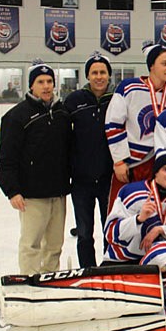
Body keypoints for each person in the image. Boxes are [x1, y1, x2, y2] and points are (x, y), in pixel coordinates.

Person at [0, 60, 71, 274]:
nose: (46, 86)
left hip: (58, 193)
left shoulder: (61, 113)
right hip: (32, 195)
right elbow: (6, 159)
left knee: (54, 244)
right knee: (31, 245)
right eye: (41, 82)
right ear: (31, 86)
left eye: (49, 81)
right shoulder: (17, 116)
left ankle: (50, 280)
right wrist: (12, 191)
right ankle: (29, 284)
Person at [105, 41, 166, 211]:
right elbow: (113, 124)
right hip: (132, 164)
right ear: (151, 66)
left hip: (162, 163)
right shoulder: (129, 87)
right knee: (123, 209)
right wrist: (118, 161)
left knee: (158, 211)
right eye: (164, 64)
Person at [64, 51, 115, 268]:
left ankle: (108, 268)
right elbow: (63, 138)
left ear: (109, 75)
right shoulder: (74, 101)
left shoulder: (117, 99)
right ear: (88, 76)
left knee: (109, 229)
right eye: (94, 72)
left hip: (109, 179)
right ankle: (87, 270)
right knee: (84, 232)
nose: (99, 76)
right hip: (81, 181)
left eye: (103, 72)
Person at [103, 149, 166, 264]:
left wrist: (160, 230)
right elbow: (110, 233)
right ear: (156, 172)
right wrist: (138, 219)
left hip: (159, 261)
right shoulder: (131, 192)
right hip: (123, 261)